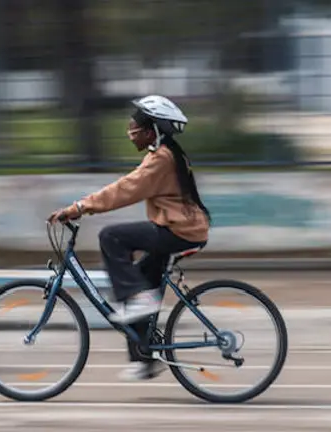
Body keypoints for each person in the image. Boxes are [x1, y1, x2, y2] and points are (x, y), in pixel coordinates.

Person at [47, 95, 211, 381]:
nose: (130, 129)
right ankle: (145, 358)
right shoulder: (163, 155)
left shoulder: (161, 159)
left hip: (180, 231)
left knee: (112, 237)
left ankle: (141, 304)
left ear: (153, 131)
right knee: (136, 284)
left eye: (136, 125)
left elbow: (124, 190)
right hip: (180, 228)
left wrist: (79, 208)